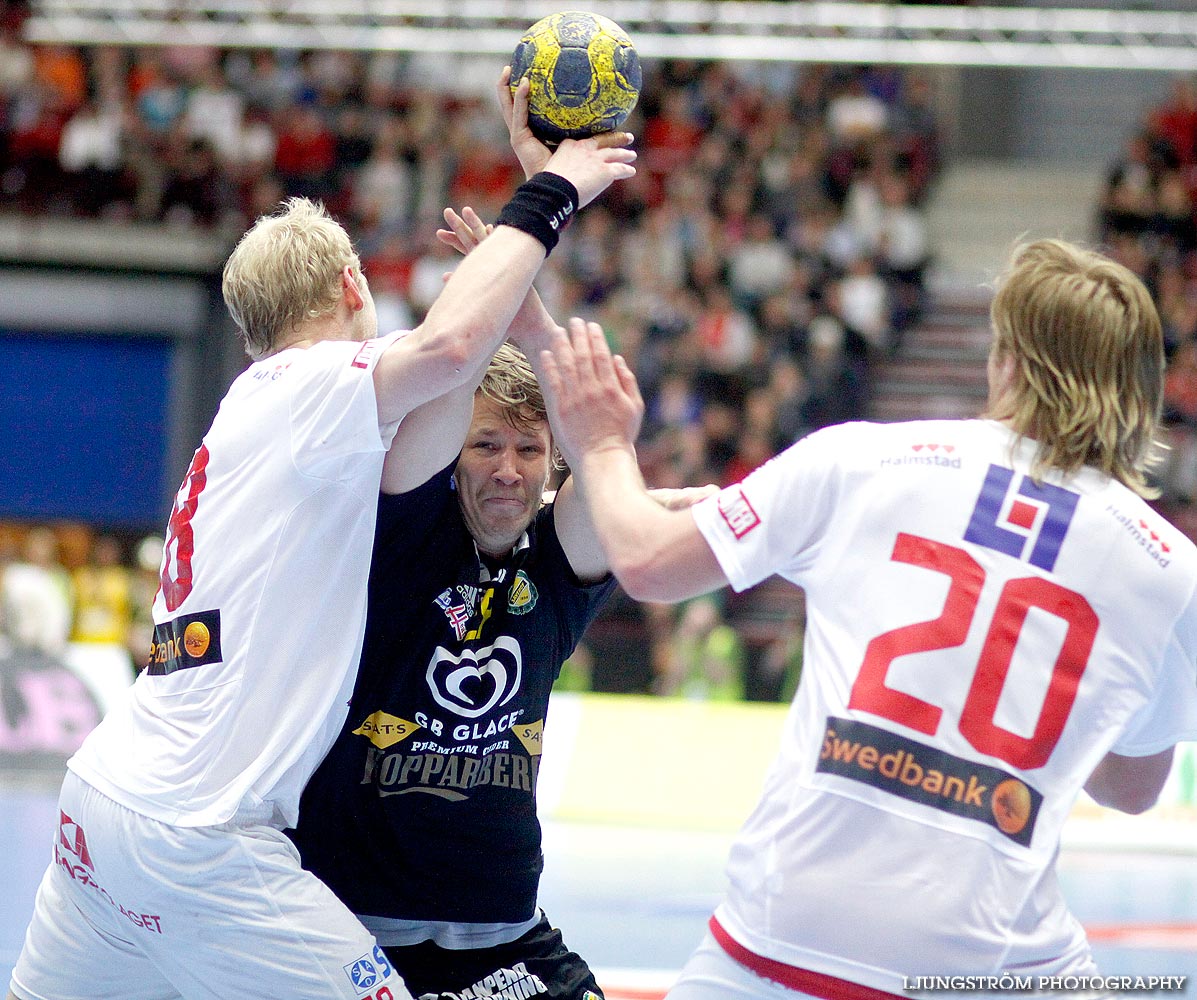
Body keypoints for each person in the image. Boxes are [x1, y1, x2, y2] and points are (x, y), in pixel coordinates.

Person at [7, 72, 635, 1000]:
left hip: (102, 807)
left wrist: (508, 287)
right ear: (351, 285)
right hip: (204, 836)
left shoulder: (263, 418)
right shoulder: (310, 388)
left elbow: (443, 398)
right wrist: (552, 190)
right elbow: (450, 350)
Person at [537, 238, 1197, 998]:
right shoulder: (1166, 571)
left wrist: (599, 443)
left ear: (1007, 357)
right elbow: (1130, 787)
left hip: (785, 943)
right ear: (1140, 385)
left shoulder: (864, 460)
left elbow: (647, 560)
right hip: (985, 965)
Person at [289, 343, 616, 1000]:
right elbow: (428, 415)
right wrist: (495, 295)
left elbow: (604, 467)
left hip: (505, 938)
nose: (507, 470)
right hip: (353, 932)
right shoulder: (401, 539)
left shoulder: (554, 567)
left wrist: (534, 317)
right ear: (450, 458)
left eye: (527, 450)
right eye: (484, 446)